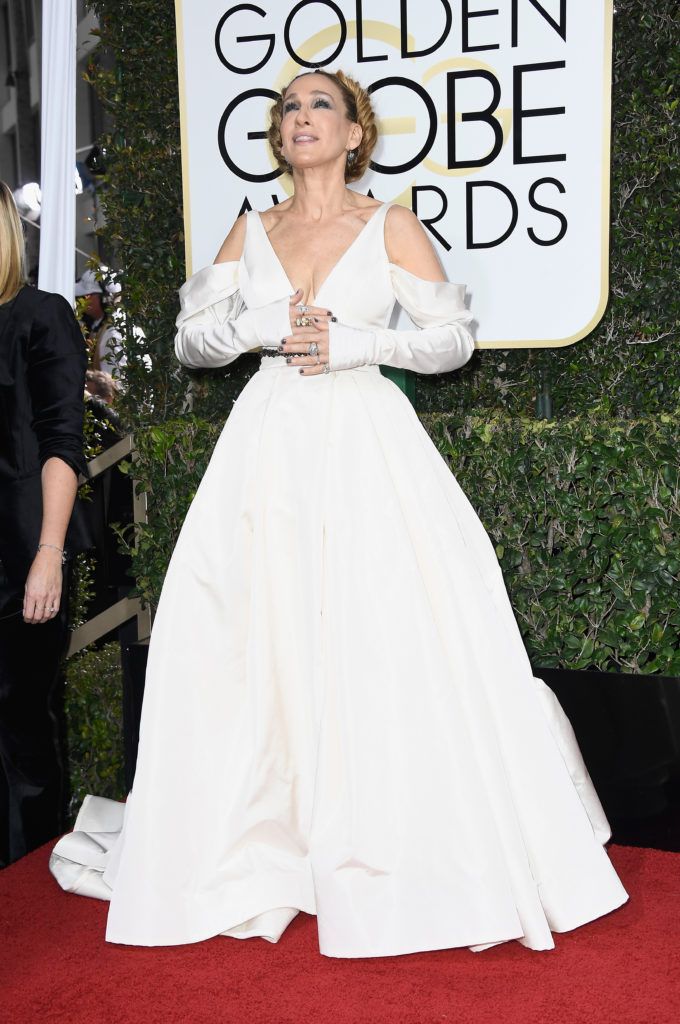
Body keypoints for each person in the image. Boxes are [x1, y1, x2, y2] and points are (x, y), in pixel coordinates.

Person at [49, 71, 628, 956]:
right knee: (258, 632)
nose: (303, 118)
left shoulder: (388, 222)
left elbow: (450, 339)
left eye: (322, 105)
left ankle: (394, 838)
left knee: (383, 629)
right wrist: (255, 326)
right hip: (268, 445)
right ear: (279, 137)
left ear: (357, 133)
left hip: (366, 437)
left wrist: (365, 343)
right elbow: (193, 341)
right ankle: (272, 841)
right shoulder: (254, 226)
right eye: (289, 108)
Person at [0, 181, 88, 867]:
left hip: (20, 550)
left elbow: (63, 440)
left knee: (21, 730)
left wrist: (48, 553)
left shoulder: (39, 316)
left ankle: (29, 885)